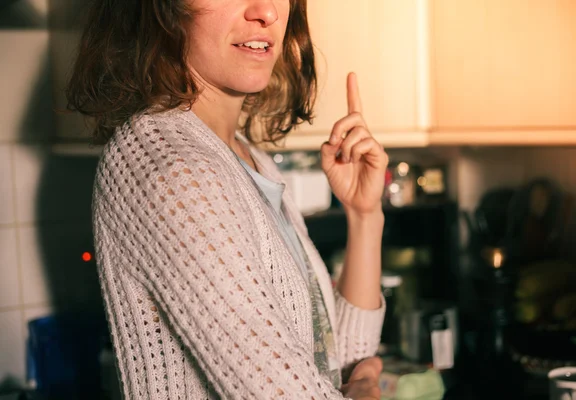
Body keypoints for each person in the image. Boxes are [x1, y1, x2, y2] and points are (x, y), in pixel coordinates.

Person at [66, 0, 389, 398]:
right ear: (162, 9)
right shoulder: (172, 168)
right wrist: (365, 389)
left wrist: (364, 215)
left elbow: (335, 359)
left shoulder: (249, 159)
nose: (267, 12)